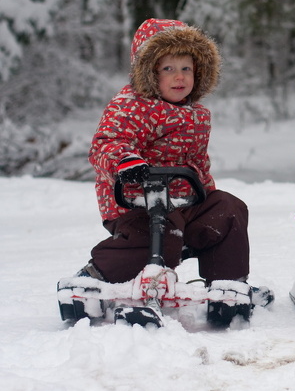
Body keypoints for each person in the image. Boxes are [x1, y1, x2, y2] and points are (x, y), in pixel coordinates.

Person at [77, 19, 263, 309]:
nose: (180, 77)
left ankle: (228, 286)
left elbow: (198, 164)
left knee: (228, 210)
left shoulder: (197, 114)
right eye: (168, 69)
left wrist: (206, 193)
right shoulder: (130, 105)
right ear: (150, 72)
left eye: (186, 68)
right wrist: (124, 161)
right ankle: (97, 274)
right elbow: (107, 143)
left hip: (184, 201)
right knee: (165, 232)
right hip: (136, 202)